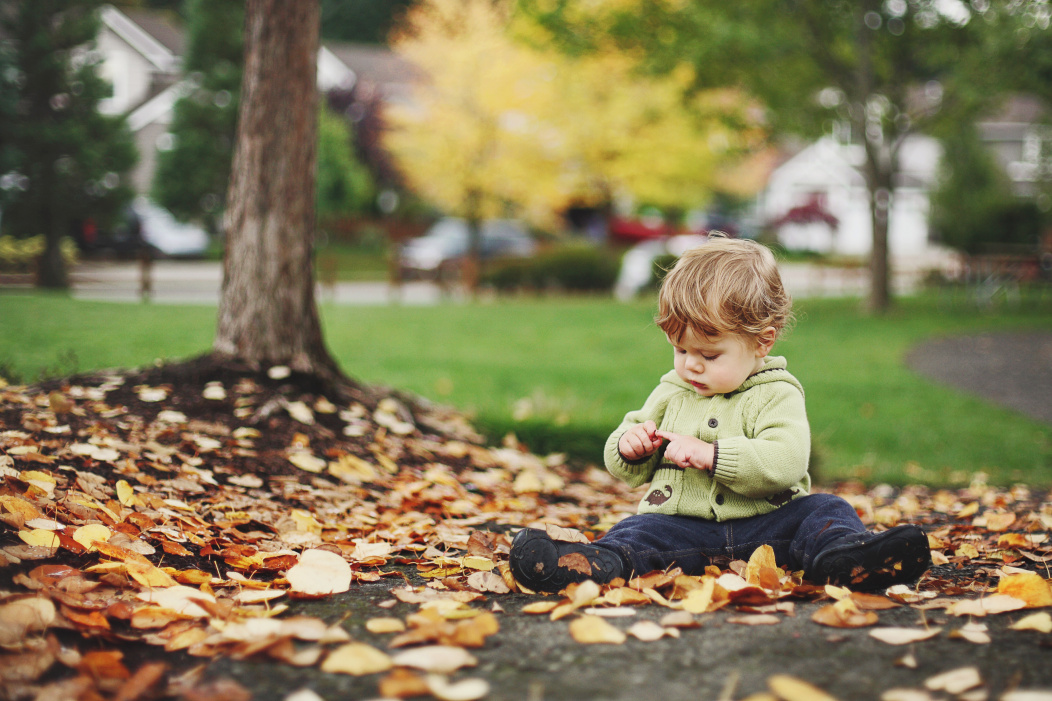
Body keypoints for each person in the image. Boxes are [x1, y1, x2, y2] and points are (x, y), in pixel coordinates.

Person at [509, 235, 930, 593]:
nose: (691, 365)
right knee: (635, 533)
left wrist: (713, 456)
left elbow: (785, 462)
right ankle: (593, 564)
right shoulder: (672, 391)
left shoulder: (776, 393)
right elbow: (628, 460)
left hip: (770, 528)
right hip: (682, 530)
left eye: (709, 355)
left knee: (826, 511)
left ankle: (846, 560)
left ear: (762, 342)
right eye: (680, 350)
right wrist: (629, 447)